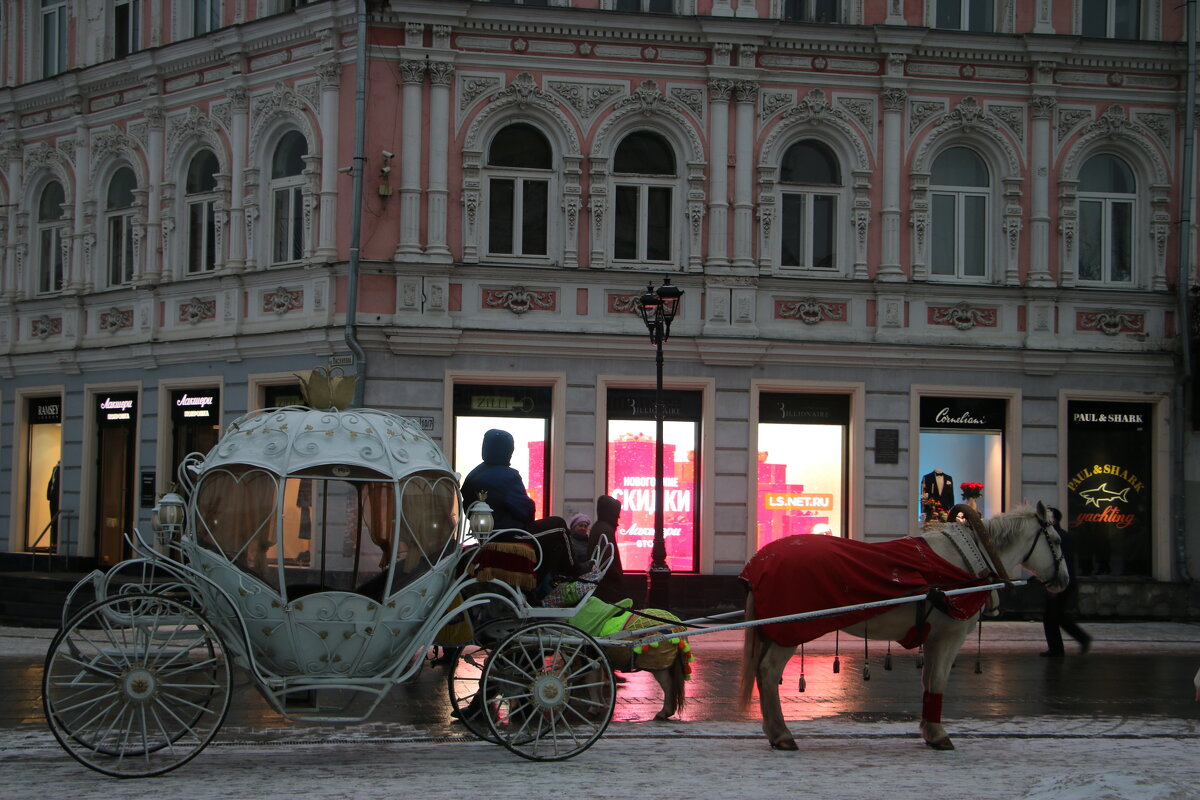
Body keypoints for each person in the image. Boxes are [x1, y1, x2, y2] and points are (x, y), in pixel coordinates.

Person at [1042, 506, 1091, 657]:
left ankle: (1062, 647)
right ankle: (1063, 646)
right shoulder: (1060, 535)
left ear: (1054, 520)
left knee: (1052, 616)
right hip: (1062, 581)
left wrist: (1055, 585)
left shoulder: (1057, 537)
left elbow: (1062, 562)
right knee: (1056, 616)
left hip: (1061, 582)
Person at [587, 495, 625, 603]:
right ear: (611, 514)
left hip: (600, 584)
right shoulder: (606, 530)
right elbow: (607, 561)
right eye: (617, 515)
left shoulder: (598, 527)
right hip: (607, 587)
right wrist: (618, 577)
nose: (618, 518)